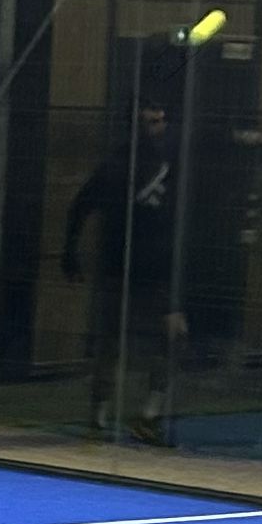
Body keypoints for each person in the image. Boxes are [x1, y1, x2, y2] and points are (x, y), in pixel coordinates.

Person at [61, 98, 187, 445]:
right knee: (116, 342)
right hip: (128, 269)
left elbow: (80, 207)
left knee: (159, 338)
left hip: (147, 269)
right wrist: (70, 252)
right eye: (151, 122)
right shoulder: (122, 166)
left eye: (160, 121)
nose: (158, 129)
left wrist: (70, 251)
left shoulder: (162, 163)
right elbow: (81, 206)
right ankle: (110, 416)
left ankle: (136, 415)